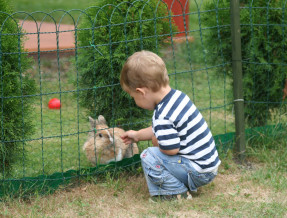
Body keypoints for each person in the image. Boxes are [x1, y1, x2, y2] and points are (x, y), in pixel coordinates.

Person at [120, 50, 221, 201]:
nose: (135, 101)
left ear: (141, 92)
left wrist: (156, 141)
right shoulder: (178, 97)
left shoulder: (162, 115)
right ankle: (184, 184)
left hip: (198, 171)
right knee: (156, 151)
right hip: (208, 167)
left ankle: (175, 192)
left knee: (149, 156)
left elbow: (171, 149)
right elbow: (160, 129)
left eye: (133, 97)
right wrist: (138, 135)